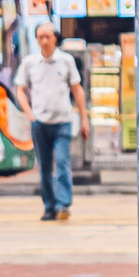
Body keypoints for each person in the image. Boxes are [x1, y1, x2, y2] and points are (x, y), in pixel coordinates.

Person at [14, 22, 83, 221]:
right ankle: (49, 206)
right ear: (36, 39)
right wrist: (29, 114)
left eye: (48, 36)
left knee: (62, 163)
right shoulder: (29, 62)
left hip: (63, 121)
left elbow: (76, 89)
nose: (44, 41)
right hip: (39, 122)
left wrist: (84, 118)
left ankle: (63, 204)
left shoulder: (66, 60)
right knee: (44, 167)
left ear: (55, 38)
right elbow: (20, 89)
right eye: (40, 37)